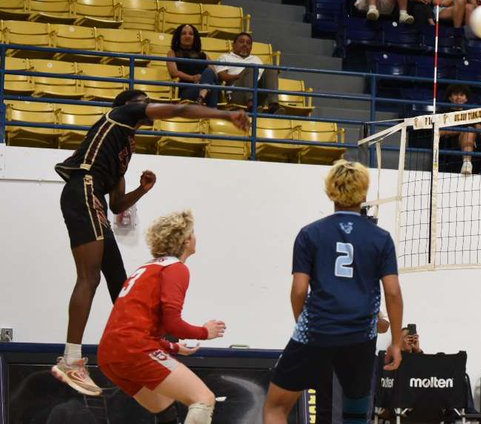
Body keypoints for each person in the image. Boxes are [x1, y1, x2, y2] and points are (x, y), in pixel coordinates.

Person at [51, 90, 249, 397]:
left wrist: (143, 190)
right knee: (88, 277)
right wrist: (225, 115)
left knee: (120, 286)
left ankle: (147, 348)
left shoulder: (124, 150)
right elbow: (180, 109)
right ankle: (71, 359)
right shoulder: (118, 117)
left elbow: (117, 204)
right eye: (142, 101)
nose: (147, 106)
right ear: (129, 106)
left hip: (97, 200)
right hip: (83, 189)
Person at [262, 160, 405, 424]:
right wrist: (396, 342)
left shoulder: (310, 234)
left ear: (330, 192)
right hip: (360, 335)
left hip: (317, 330)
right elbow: (393, 293)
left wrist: (303, 326)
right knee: (355, 413)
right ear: (363, 193)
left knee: (275, 408)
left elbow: (299, 289)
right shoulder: (380, 238)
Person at [97, 210, 225, 424]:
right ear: (185, 240)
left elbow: (135, 325)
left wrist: (173, 347)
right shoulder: (176, 269)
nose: (195, 237)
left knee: (164, 408)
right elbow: (173, 324)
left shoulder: (147, 267)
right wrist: (204, 332)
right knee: (203, 399)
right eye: (192, 233)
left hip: (109, 354)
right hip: (134, 350)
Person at [216, 31, 279, 112]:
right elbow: (221, 75)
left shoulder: (256, 59)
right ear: (233, 44)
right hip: (237, 93)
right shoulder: (225, 57)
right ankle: (251, 103)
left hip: (258, 93)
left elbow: (264, 77)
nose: (245, 44)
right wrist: (239, 76)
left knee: (271, 68)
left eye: (248, 43)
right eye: (241, 42)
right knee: (251, 68)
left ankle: (273, 105)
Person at [166, 23, 219, 107]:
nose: (187, 36)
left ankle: (201, 97)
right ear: (178, 37)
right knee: (212, 87)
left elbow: (214, 74)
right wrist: (192, 78)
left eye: (191, 34)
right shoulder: (172, 53)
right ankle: (213, 114)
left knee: (209, 74)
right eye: (184, 33)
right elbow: (174, 72)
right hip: (187, 89)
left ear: (195, 37)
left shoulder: (204, 55)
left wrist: (203, 79)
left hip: (203, 85)